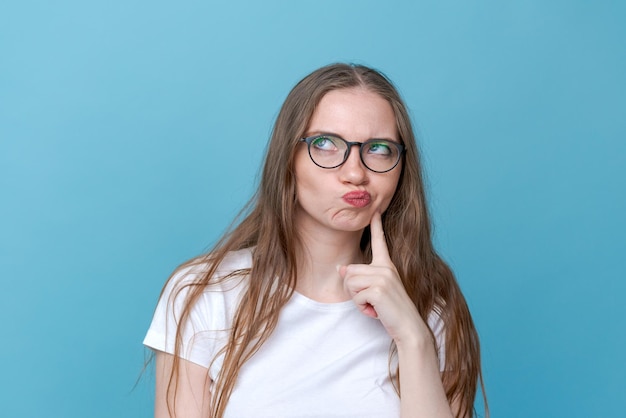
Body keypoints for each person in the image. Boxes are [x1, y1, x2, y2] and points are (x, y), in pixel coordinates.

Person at [144, 63, 487, 418]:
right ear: (287, 159)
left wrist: (414, 340)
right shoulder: (205, 292)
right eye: (325, 144)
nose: (355, 173)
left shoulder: (429, 309)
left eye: (379, 148)